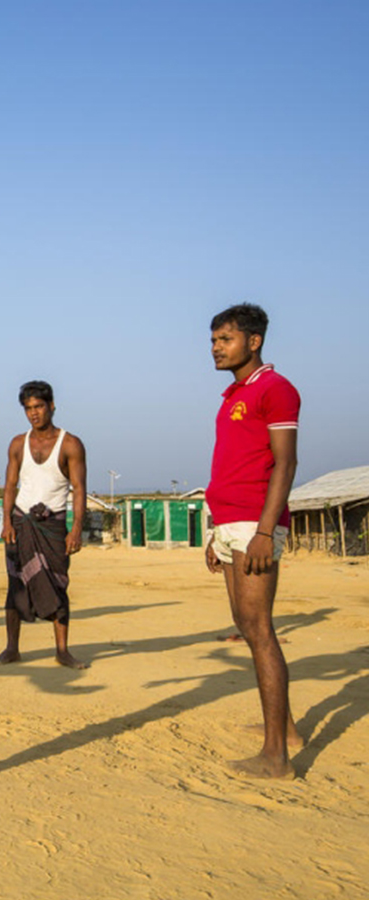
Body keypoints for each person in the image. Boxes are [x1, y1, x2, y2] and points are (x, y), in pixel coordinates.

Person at [205, 303, 302, 779]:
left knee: (259, 628)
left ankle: (276, 756)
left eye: (225, 339)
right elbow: (232, 462)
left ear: (254, 340)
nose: (216, 347)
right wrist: (214, 530)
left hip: (253, 523)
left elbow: (285, 464)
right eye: (214, 340)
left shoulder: (276, 389)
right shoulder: (232, 395)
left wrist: (265, 530)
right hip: (230, 524)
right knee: (245, 624)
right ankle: (288, 730)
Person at [0, 381, 89, 669]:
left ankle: (62, 651)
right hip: (21, 524)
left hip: (52, 525)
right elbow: (10, 485)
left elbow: (79, 488)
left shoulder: (70, 444)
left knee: (58, 585)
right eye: (28, 408)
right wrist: (7, 520)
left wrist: (76, 528)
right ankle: (12, 648)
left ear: (52, 406)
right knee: (15, 584)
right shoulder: (17, 444)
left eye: (39, 407)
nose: (34, 413)